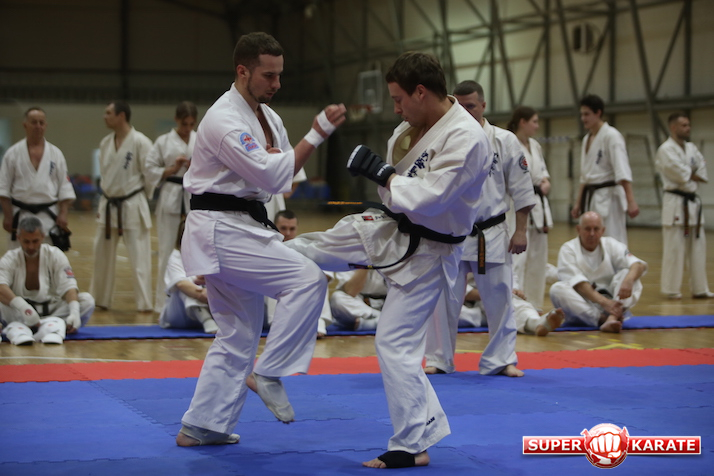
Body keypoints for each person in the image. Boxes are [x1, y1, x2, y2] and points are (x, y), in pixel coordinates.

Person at [286, 51, 492, 469]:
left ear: (421, 92)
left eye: (399, 99)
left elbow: (432, 198)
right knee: (318, 247)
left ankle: (412, 445)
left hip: (430, 253)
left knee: (394, 343)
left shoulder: (467, 138)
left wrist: (385, 175)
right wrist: (387, 180)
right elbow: (393, 196)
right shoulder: (406, 129)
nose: (395, 109)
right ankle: (258, 253)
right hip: (394, 229)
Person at [174, 32, 346, 447]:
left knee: (237, 332)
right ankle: (269, 371)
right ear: (242, 71)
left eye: (279, 75)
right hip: (221, 227)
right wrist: (316, 134)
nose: (277, 83)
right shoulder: (223, 118)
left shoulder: (269, 118)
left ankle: (201, 426)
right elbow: (273, 173)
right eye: (268, 75)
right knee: (307, 280)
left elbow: (285, 179)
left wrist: (274, 164)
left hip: (244, 224)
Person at [424, 80, 535, 378]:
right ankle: (439, 358)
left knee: (499, 297)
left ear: (483, 106)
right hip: (450, 233)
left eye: (471, 106)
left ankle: (501, 359)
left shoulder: (504, 140)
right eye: (459, 106)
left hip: (491, 232)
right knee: (444, 299)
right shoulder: (442, 139)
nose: (465, 111)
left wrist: (521, 230)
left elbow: (522, 189)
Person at [90, 100, 154, 311]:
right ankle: (100, 299)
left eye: (108, 113)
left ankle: (144, 303)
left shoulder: (141, 142)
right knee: (101, 256)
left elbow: (150, 176)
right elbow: (105, 176)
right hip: (108, 204)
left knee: (140, 258)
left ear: (121, 116)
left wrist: (141, 197)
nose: (104, 116)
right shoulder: (105, 143)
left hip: (132, 203)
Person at [0, 217, 94, 345]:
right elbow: (1, 286)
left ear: (43, 237)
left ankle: (48, 326)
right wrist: (23, 307)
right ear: (18, 238)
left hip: (52, 310)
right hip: (18, 313)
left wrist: (74, 312)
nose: (31, 246)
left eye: (35, 241)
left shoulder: (55, 255)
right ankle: (53, 328)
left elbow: (69, 286)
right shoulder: (10, 258)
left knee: (86, 301)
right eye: (26, 241)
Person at [549, 211, 647, 333]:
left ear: (603, 230)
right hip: (583, 306)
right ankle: (601, 319)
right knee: (557, 289)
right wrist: (605, 303)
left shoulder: (611, 244)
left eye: (596, 229)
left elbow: (638, 265)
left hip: (611, 303)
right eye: (587, 229)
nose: (592, 234)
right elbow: (579, 285)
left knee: (629, 274)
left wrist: (629, 280)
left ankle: (612, 318)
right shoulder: (568, 249)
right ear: (578, 229)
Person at [146, 101, 198, 313]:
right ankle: (162, 304)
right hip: (170, 197)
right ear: (176, 120)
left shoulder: (199, 139)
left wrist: (195, 167)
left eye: (191, 124)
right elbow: (149, 169)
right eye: (184, 123)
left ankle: (192, 301)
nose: (187, 128)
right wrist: (172, 168)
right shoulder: (163, 141)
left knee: (194, 253)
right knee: (167, 251)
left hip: (194, 199)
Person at [655, 112, 712, 299]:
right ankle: (671, 289)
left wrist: (691, 172)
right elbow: (680, 174)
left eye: (688, 125)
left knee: (698, 248)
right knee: (674, 249)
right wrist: (690, 172)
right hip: (675, 203)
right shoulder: (665, 149)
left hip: (693, 203)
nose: (688, 128)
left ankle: (700, 288)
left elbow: (702, 169)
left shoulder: (692, 148)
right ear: (673, 127)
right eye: (684, 125)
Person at [0, 107, 76, 249]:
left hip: (48, 218)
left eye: (41, 123)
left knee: (47, 257)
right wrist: (8, 216)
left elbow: (64, 187)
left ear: (46, 125)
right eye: (34, 122)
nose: (38, 126)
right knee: (18, 258)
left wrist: (63, 213)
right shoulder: (12, 153)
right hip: (20, 216)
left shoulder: (56, 154)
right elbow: (3, 188)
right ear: (25, 125)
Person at [571, 94, 638, 245]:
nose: (583, 118)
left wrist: (631, 201)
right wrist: (578, 203)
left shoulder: (612, 136)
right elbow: (584, 176)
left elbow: (622, 171)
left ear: (598, 113)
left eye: (587, 114)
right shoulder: (586, 139)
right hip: (591, 197)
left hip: (609, 198)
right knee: (592, 242)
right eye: (582, 114)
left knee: (613, 240)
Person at [507, 106, 554, 308]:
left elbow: (543, 173)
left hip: (538, 205)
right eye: (534, 121)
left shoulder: (535, 145)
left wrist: (546, 182)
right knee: (518, 257)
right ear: (522, 122)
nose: (537, 126)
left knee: (538, 257)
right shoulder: (509, 142)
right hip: (515, 204)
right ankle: (517, 303)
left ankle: (535, 304)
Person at [263, 209, 334, 338]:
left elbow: (327, 276)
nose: (287, 233)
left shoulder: (305, 248)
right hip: (264, 307)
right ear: (274, 227)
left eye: (292, 229)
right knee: (275, 280)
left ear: (297, 229)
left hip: (299, 298)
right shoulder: (264, 248)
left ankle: (318, 323)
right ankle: (278, 324)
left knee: (319, 279)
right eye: (283, 228)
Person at [457, 272, 565, 337]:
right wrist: (488, 294)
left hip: (494, 296)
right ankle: (493, 318)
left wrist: (514, 289)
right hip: (462, 301)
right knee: (450, 313)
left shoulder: (496, 243)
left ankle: (536, 323)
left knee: (512, 301)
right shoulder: (457, 245)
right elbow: (453, 284)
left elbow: (508, 269)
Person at [159, 220, 218, 334]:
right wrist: (201, 293)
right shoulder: (176, 256)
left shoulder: (211, 253)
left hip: (212, 304)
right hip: (181, 316)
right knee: (184, 287)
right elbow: (181, 284)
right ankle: (206, 319)